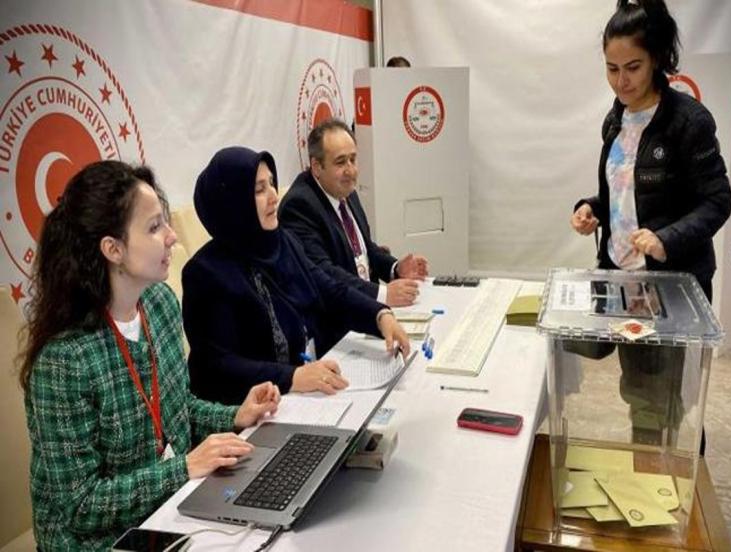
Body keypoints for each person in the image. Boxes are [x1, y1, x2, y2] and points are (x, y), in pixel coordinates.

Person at [19, 161, 278, 551]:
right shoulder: (64, 360)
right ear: (113, 249)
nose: (172, 236)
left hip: (168, 511)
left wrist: (235, 416)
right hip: (99, 542)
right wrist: (183, 468)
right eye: (155, 227)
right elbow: (80, 505)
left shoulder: (159, 303)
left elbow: (175, 408)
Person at [569, 0, 731, 451]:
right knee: (642, 393)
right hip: (627, 283)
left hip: (673, 287)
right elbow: (623, 193)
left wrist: (665, 240)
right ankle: (649, 475)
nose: (621, 81)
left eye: (633, 68)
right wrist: (591, 208)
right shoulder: (615, 119)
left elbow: (718, 201)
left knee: (671, 401)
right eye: (611, 69)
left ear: (657, 58)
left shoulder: (688, 121)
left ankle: (677, 481)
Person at [182, 146, 410, 405]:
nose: (273, 196)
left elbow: (327, 288)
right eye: (259, 190)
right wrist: (292, 377)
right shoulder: (206, 274)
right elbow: (218, 366)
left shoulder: (282, 242)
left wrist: (379, 316)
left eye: (272, 184)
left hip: (311, 391)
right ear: (233, 202)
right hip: (257, 411)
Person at [279, 119, 429, 307]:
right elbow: (324, 273)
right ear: (316, 167)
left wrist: (396, 268)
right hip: (336, 316)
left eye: (353, 159)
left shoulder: (345, 190)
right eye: (341, 162)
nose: (350, 171)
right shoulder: (299, 206)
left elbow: (365, 249)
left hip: (367, 309)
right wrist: (382, 294)